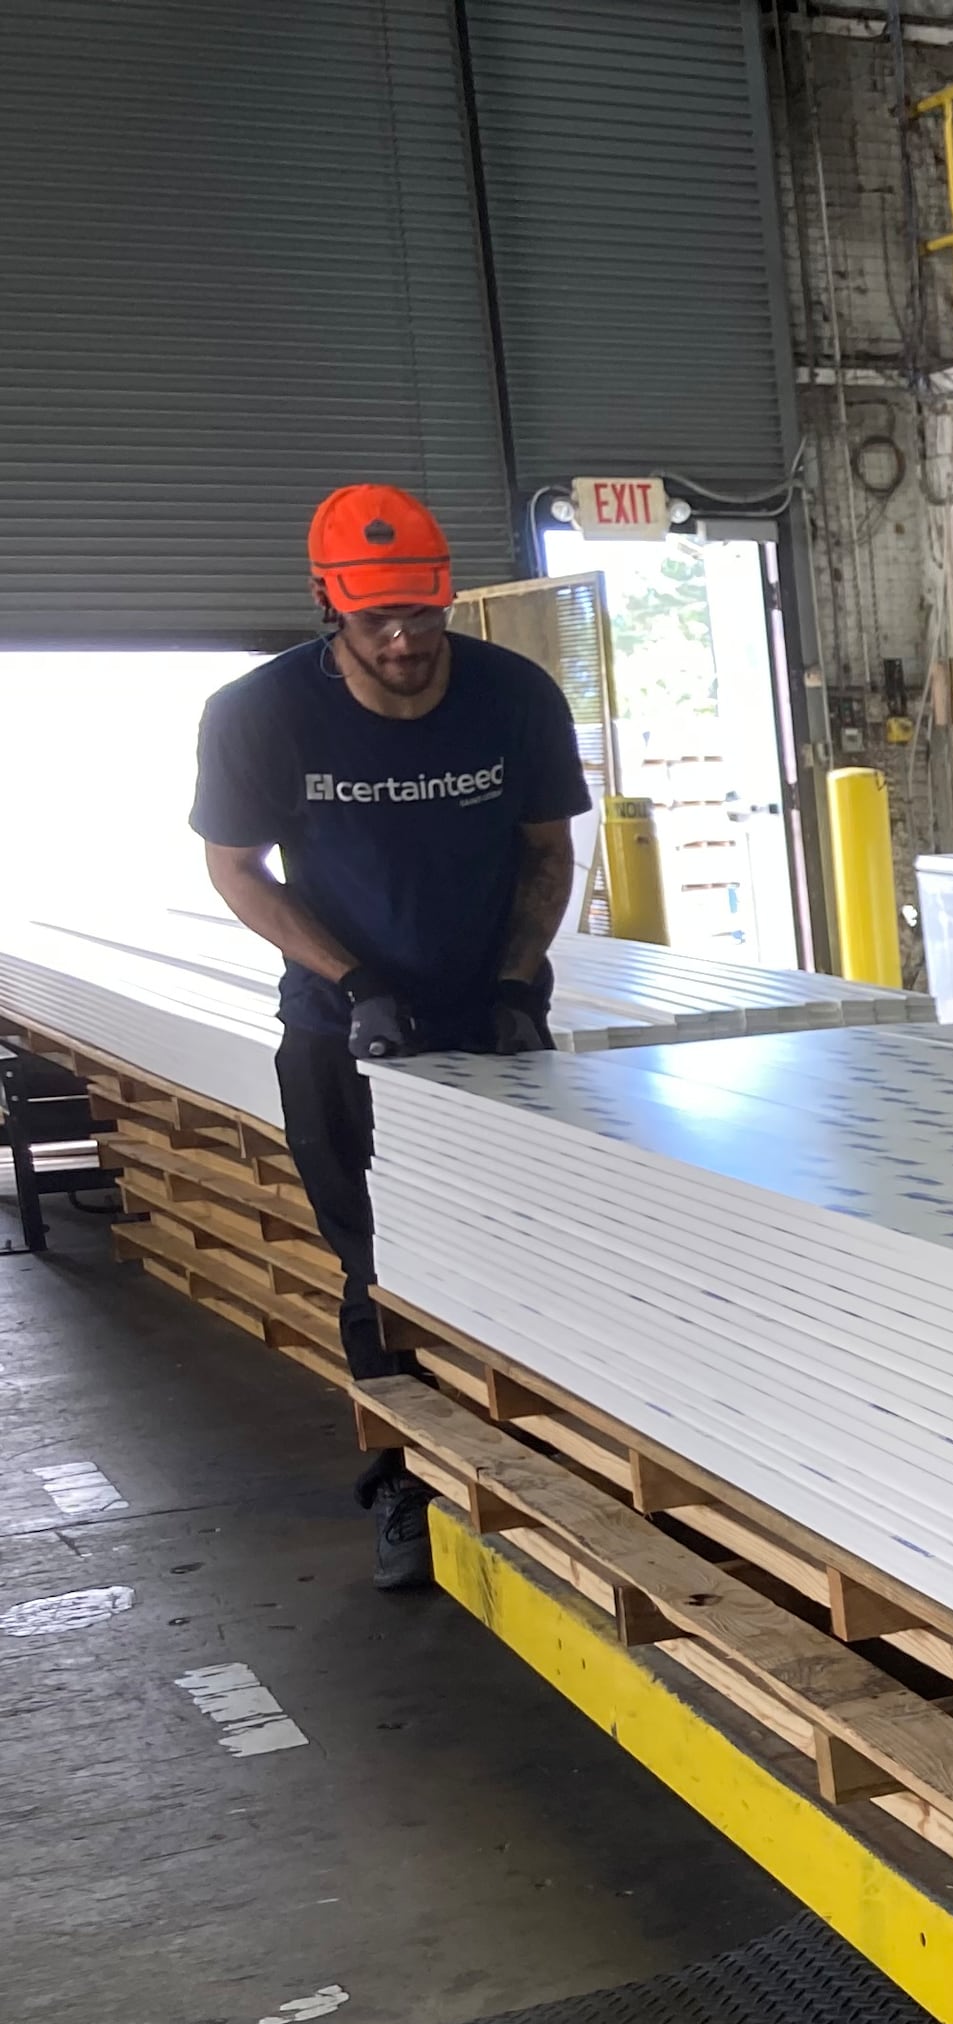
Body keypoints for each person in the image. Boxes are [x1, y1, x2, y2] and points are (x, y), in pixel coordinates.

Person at [191, 486, 590, 1591]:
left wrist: (516, 987)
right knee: (377, 1267)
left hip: (494, 1023)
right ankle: (409, 1483)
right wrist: (353, 981)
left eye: (422, 613)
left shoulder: (513, 696)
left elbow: (547, 853)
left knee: (527, 1246)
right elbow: (236, 871)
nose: (406, 641)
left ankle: (544, 1464)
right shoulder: (258, 714)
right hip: (341, 1030)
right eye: (378, 622)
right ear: (330, 606)